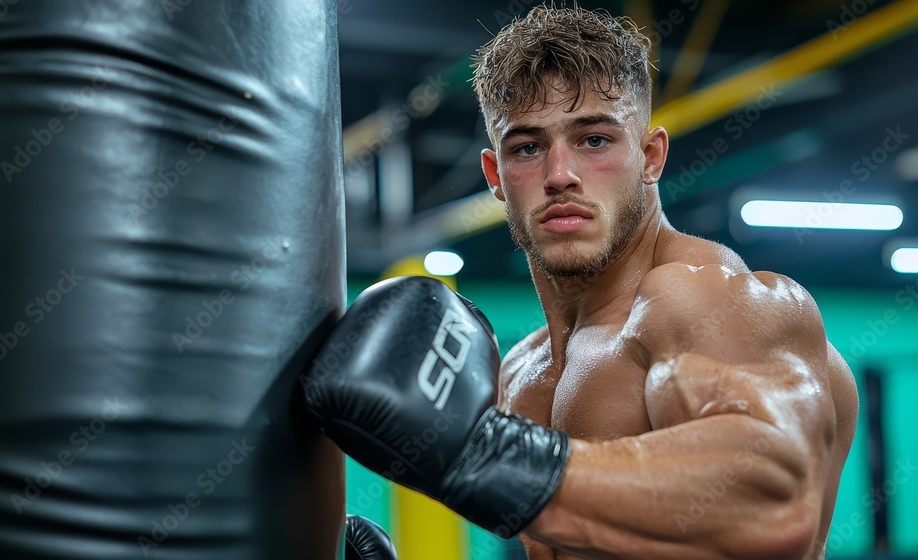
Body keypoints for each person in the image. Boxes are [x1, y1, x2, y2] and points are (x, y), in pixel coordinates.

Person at [304, 5, 859, 559]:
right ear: (496, 176)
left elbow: (775, 504)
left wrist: (481, 457)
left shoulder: (707, 299)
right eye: (527, 147)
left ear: (650, 156)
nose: (559, 175)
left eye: (594, 139)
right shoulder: (521, 371)